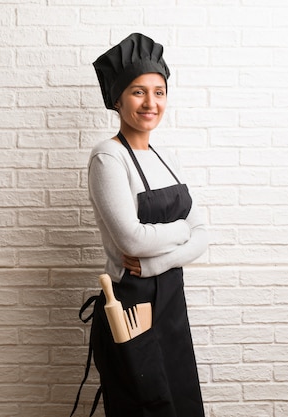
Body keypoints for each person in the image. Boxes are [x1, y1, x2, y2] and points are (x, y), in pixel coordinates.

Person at [71, 33, 208, 417]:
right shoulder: (108, 158)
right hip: (129, 309)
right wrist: (182, 230)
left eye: (159, 91)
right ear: (117, 98)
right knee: (145, 407)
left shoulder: (167, 159)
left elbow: (204, 236)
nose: (151, 103)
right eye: (138, 92)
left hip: (171, 307)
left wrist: (154, 262)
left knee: (181, 403)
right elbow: (131, 238)